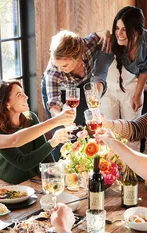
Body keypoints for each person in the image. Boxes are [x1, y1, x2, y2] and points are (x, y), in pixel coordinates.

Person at [94, 6, 147, 151]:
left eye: (124, 29)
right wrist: (95, 98)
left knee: (132, 134)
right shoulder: (109, 41)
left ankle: (131, 172)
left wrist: (138, 94)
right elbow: (100, 73)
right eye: (117, 28)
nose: (119, 34)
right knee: (109, 133)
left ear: (136, 30)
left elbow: (146, 69)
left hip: (131, 89)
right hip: (107, 90)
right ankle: (111, 171)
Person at [42, 30, 109, 160]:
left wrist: (106, 34)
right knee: (63, 133)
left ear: (77, 57)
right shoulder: (53, 72)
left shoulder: (88, 45)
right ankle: (58, 168)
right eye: (57, 65)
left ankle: (82, 165)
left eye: (64, 65)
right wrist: (61, 118)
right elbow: (53, 106)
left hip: (82, 85)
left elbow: (100, 35)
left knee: (83, 127)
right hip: (58, 90)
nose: (60, 69)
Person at [0, 80, 69, 185]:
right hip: (10, 186)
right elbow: (22, 162)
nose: (26, 97)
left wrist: (57, 179)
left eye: (23, 93)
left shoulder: (30, 118)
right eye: (19, 95)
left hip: (34, 181)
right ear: (6, 103)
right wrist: (52, 142)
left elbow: (46, 157)